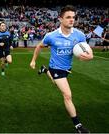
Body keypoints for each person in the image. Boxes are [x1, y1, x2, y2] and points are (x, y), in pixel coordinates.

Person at [30, 5, 93, 133]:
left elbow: (86, 50)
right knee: (67, 95)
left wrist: (90, 56)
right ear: (60, 19)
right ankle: (78, 126)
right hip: (56, 67)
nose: (71, 20)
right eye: (68, 17)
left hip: (67, 69)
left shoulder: (79, 35)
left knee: (55, 82)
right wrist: (33, 60)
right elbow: (39, 46)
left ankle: (44, 70)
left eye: (73, 17)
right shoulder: (51, 36)